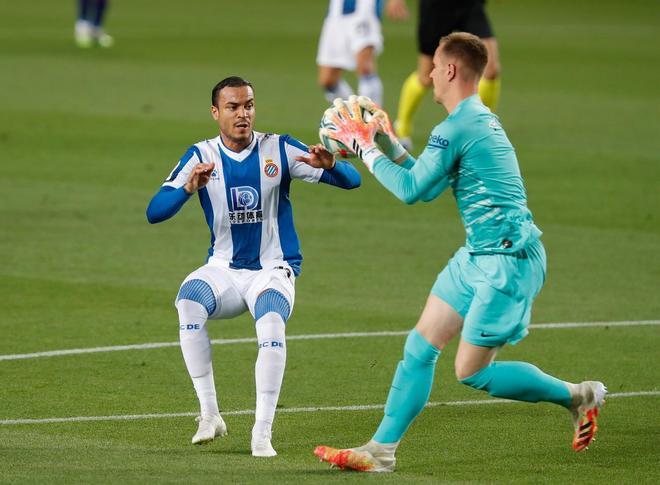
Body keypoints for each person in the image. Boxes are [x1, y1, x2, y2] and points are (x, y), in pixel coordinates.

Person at [313, 33, 606, 472]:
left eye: (433, 67)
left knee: (471, 371)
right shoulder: (468, 121)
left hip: (508, 263)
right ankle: (381, 450)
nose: (428, 74)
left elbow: (411, 192)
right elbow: (428, 184)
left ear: (450, 70)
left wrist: (364, 147)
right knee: (419, 347)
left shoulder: (459, 127)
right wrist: (389, 142)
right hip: (478, 256)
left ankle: (579, 395)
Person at [146, 76, 361, 457]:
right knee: (188, 301)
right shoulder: (200, 156)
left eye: (248, 105)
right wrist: (186, 189)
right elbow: (154, 212)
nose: (243, 114)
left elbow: (352, 182)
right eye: (233, 107)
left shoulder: (277, 148)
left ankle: (262, 433)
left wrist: (333, 166)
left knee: (271, 319)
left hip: (273, 269)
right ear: (216, 113)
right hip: (225, 270)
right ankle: (210, 414)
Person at [386, 0, 501, 149]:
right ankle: (402, 126)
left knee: (490, 69)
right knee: (426, 77)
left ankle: (487, 128)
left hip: (470, 5)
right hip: (435, 7)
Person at [316, 0, 386, 106]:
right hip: (336, 12)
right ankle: (352, 116)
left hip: (364, 8)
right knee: (328, 80)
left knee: (364, 67)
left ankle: (373, 119)